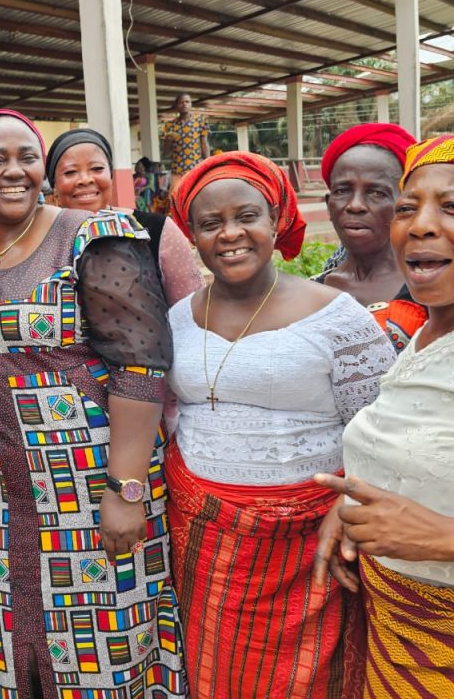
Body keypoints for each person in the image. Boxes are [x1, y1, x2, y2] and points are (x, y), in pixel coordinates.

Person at [0, 109, 187, 698]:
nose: (14, 172)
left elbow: (140, 364)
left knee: (109, 643)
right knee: (15, 640)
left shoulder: (92, 236)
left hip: (93, 483)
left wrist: (125, 490)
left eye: (28, 157)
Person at [165, 152, 394, 698]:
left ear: (277, 220)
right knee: (215, 672)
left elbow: (380, 433)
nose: (230, 234)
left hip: (310, 540)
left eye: (246, 216)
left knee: (310, 678)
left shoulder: (337, 316)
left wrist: (352, 508)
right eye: (210, 223)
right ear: (192, 236)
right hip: (205, 539)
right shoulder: (176, 319)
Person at [315, 134, 454, 696]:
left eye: (451, 206)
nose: (419, 225)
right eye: (406, 207)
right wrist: (352, 504)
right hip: (398, 635)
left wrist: (444, 539)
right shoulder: (424, 334)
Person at [46, 128, 203, 307]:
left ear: (111, 177)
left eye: (97, 168)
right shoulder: (42, 241)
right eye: (70, 172)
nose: (85, 179)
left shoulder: (158, 231)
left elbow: (191, 313)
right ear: (54, 186)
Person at [314, 123, 426, 352]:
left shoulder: (433, 288)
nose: (355, 205)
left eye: (376, 193)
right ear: (328, 205)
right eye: (342, 190)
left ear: (405, 205)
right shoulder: (310, 292)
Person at [161, 93, 209, 191]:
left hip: (195, 168)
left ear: (191, 104)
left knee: (198, 196)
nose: (184, 104)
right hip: (177, 171)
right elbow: (165, 153)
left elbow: (204, 144)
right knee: (174, 200)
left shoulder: (200, 121)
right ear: (176, 106)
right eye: (181, 102)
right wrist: (168, 141)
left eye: (187, 102)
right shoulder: (170, 126)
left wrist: (208, 163)